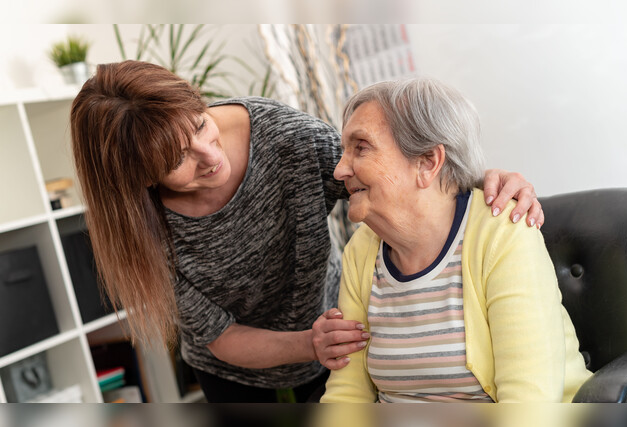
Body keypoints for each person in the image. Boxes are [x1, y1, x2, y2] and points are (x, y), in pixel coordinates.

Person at [69, 60, 545, 403]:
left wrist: (485, 180)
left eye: (201, 125)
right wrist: (309, 343)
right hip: (235, 374)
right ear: (143, 180)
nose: (210, 156)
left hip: (333, 350)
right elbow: (220, 335)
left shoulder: (284, 138)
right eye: (178, 160)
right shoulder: (141, 226)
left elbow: (387, 171)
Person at [321, 78, 592, 403]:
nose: (339, 170)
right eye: (344, 151)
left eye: (360, 147)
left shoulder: (500, 232)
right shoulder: (362, 251)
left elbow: (527, 403)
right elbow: (346, 395)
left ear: (427, 162)